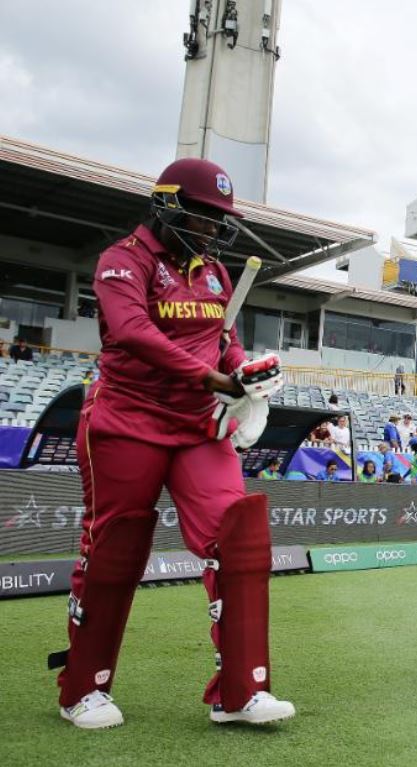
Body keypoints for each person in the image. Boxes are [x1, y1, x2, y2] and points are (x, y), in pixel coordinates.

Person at [50, 158, 293, 730]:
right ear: (165, 204)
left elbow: (224, 341)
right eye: (204, 215)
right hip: (125, 421)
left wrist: (247, 369)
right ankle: (81, 688)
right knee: (116, 552)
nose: (213, 228)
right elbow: (133, 332)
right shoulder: (122, 261)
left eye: (220, 219)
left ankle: (239, 691)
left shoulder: (215, 273)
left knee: (239, 539)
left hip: (198, 429)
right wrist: (214, 378)